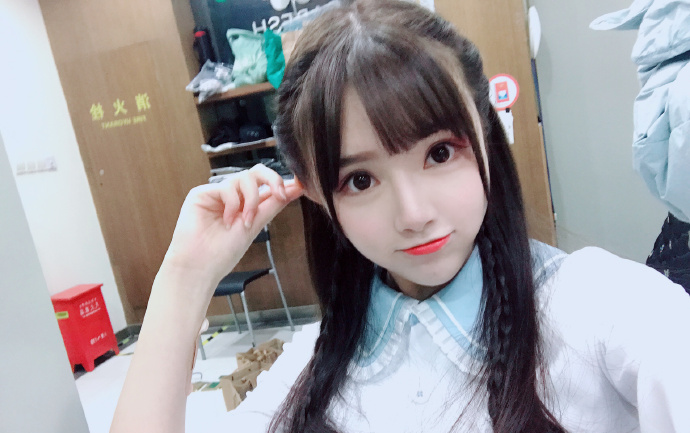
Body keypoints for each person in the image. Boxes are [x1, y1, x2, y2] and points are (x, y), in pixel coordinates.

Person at [111, 1, 690, 432]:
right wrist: (184, 277)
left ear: (484, 134)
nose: (414, 215)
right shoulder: (310, 372)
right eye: (360, 180)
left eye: (440, 153)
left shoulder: (598, 308)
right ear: (316, 193)